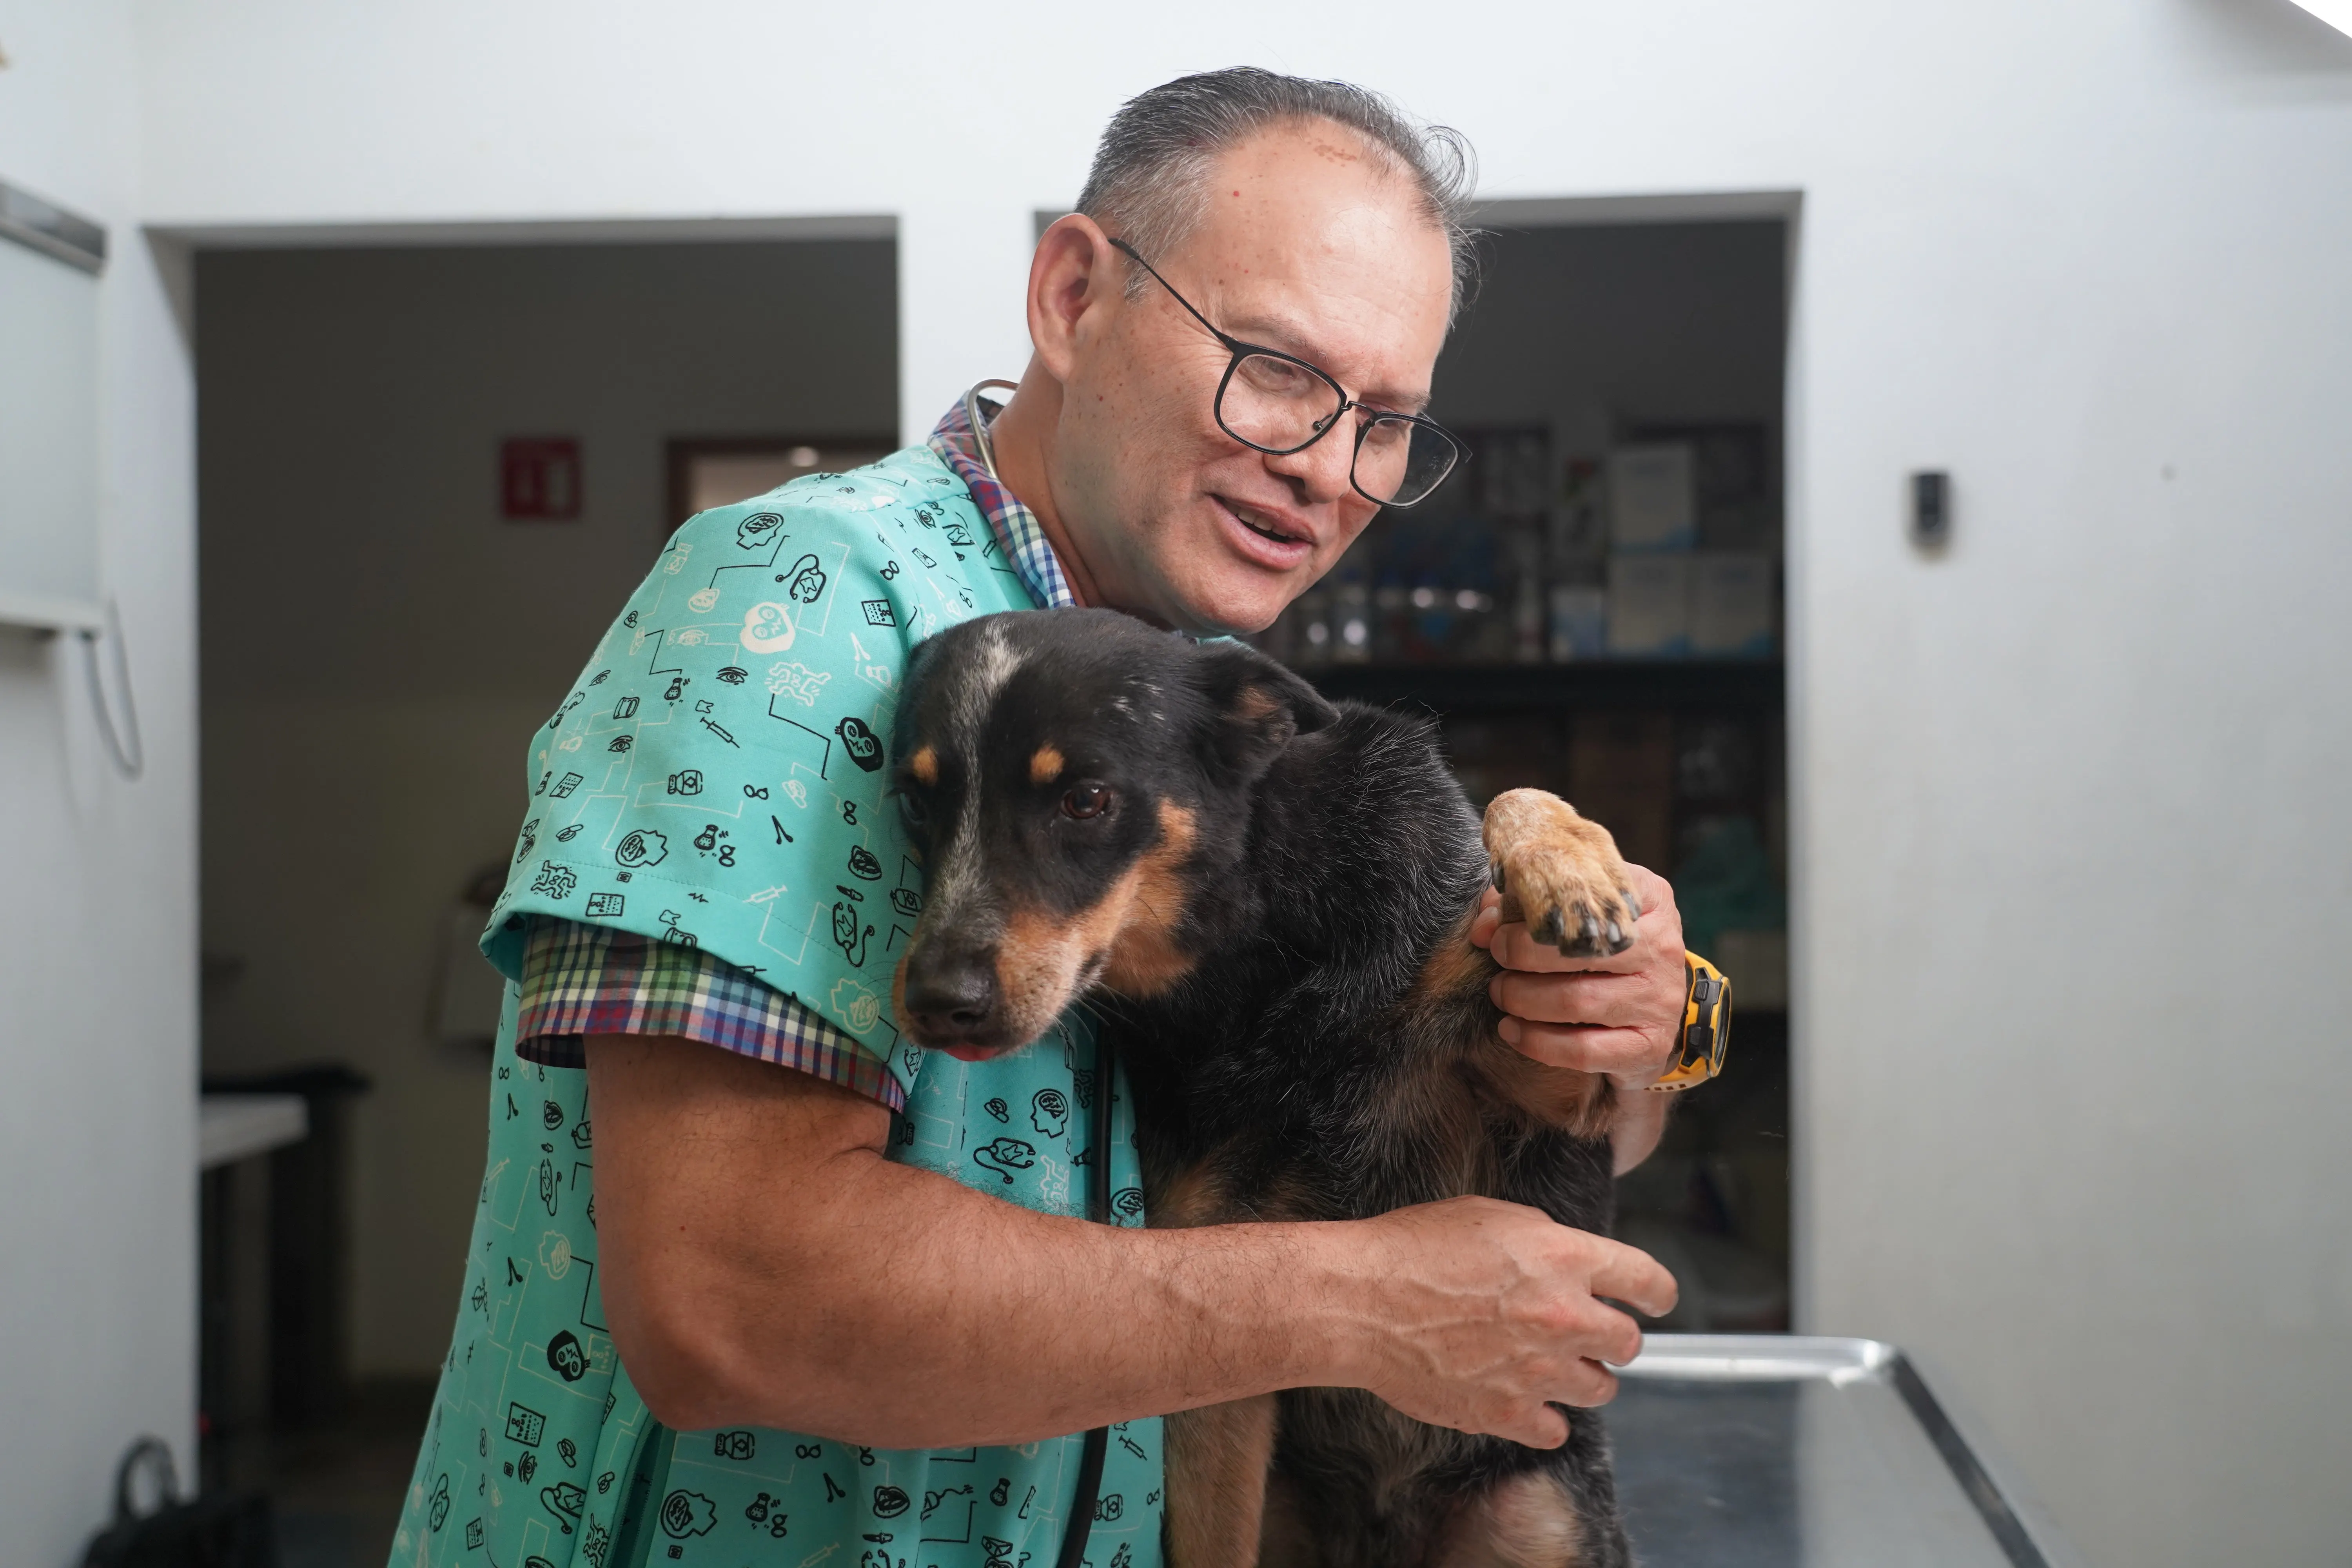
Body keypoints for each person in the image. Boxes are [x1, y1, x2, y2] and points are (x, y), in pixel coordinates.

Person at [392, 69, 1693, 1568]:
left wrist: (1627, 1033)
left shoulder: (1177, 698)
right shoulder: (796, 610)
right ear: (1072, 295)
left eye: (1383, 421)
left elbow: (1427, 1112)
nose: (1327, 470)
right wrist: (1358, 1302)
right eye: (1274, 366)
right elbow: (728, 1300)